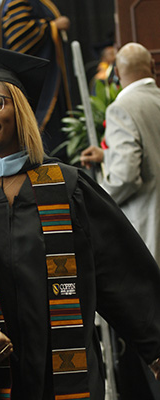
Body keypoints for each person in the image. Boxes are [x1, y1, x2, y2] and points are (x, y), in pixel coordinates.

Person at [0, 40, 160, 400]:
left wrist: (155, 346)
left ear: (21, 108)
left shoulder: (69, 187)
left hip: (66, 370)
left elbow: (120, 270)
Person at [80, 42, 160, 267]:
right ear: (152, 66)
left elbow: (125, 177)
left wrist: (96, 203)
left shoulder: (120, 108)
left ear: (116, 73)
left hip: (147, 230)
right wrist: (107, 155)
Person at [0, 0, 72, 161]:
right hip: (38, 84)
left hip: (50, 79)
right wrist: (52, 26)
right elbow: (20, 36)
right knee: (46, 143)